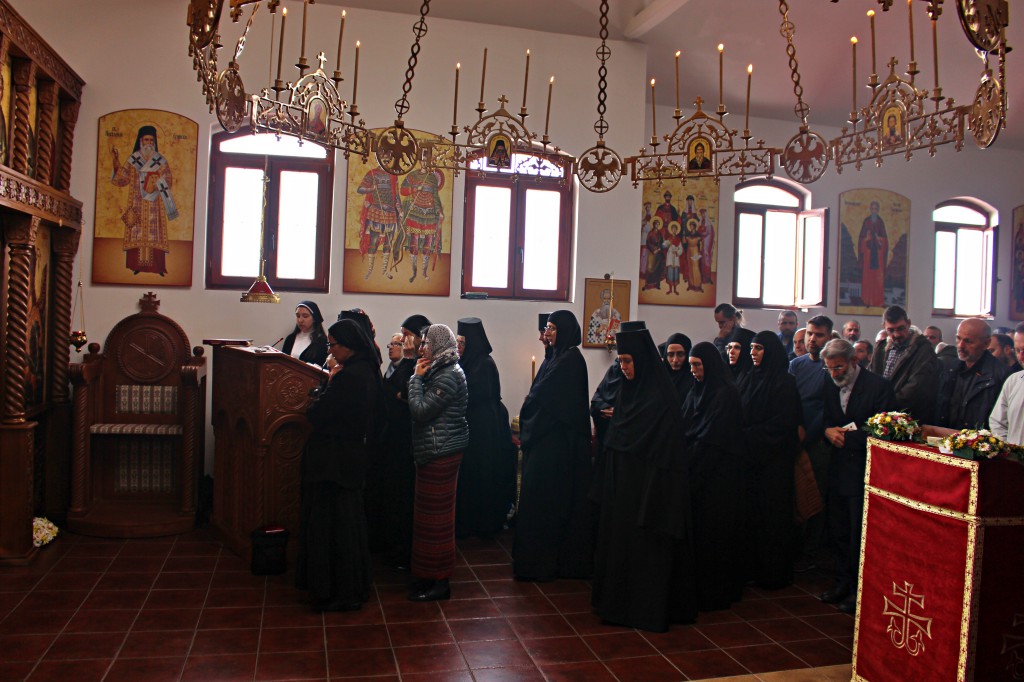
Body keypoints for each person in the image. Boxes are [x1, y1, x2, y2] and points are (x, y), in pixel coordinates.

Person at [591, 323, 697, 632]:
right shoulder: (628, 392)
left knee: (646, 556)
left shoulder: (661, 399)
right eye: (620, 361)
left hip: (651, 494)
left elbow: (667, 453)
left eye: (628, 361)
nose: (623, 367)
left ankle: (644, 610)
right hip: (623, 492)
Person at [295, 319, 385, 612]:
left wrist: (329, 383)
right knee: (347, 523)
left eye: (333, 345)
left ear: (349, 345)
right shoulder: (366, 369)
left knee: (335, 527)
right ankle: (349, 587)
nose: (330, 350)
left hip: (335, 460)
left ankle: (338, 590)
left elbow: (318, 414)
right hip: (348, 456)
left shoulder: (350, 377)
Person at [514, 310, 593, 581]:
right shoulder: (557, 357)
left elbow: (541, 400)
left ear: (565, 331)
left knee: (546, 503)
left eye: (551, 329)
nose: (546, 334)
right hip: (547, 442)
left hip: (556, 448)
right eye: (546, 328)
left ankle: (543, 564)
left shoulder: (570, 361)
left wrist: (528, 411)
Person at [819, 339, 894, 615]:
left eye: (838, 367)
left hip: (863, 468)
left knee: (856, 532)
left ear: (853, 361)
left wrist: (847, 439)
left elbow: (885, 429)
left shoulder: (878, 386)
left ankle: (858, 588)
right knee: (838, 529)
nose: (834, 374)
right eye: (829, 368)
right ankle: (842, 581)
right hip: (837, 468)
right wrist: (827, 431)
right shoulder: (830, 383)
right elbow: (826, 417)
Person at [407, 324, 469, 601]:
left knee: (437, 521)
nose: (421, 348)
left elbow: (420, 411)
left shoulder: (449, 374)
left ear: (439, 345)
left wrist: (415, 380)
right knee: (426, 519)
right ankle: (427, 575)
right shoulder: (440, 368)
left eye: (425, 344)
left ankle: (440, 581)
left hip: (441, 451)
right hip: (434, 449)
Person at [683, 342, 745, 611]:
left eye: (697, 365)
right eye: (691, 366)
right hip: (698, 470)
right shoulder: (697, 390)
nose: (694, 371)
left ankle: (717, 593)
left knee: (716, 537)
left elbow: (714, 438)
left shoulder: (725, 394)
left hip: (719, 477)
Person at [740, 331, 802, 590]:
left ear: (772, 351)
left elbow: (783, 424)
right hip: (750, 461)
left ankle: (773, 573)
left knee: (772, 519)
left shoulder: (784, 382)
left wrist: (748, 435)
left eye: (759, 348)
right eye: (752, 348)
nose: (753, 353)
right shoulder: (748, 377)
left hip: (774, 463)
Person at [454, 318, 516, 539]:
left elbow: (475, 395)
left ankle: (485, 523)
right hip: (472, 424)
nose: (459, 347)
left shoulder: (484, 364)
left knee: (484, 473)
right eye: (457, 342)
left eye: (462, 343)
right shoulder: (465, 362)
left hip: (485, 426)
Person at [789, 315, 833, 568]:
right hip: (794, 436)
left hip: (817, 442)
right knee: (794, 492)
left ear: (829, 337)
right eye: (810, 334)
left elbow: (828, 409)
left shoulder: (831, 367)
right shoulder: (796, 365)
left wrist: (809, 435)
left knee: (815, 494)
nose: (812, 339)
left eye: (819, 335)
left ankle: (811, 551)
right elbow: (789, 399)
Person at [111, 125, 178, 275]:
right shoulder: (133, 159)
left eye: (151, 140)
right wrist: (115, 161)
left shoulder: (160, 160)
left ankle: (157, 268)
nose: (149, 143)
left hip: (155, 204)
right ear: (140, 141)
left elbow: (168, 179)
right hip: (137, 203)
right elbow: (123, 179)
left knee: (155, 233)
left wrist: (156, 183)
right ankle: (136, 266)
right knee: (137, 231)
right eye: (146, 139)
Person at [378, 331, 417, 569]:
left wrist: (400, 395)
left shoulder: (407, 368)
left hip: (402, 436)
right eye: (390, 343)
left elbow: (406, 395)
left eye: (397, 343)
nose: (391, 347)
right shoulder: (390, 369)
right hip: (389, 434)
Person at [934, 318, 1011, 431]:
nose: (960, 345)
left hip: (979, 440)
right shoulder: (949, 368)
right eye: (958, 338)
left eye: (968, 341)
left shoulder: (1001, 375)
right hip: (944, 436)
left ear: (986, 343)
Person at [868, 306, 940, 424]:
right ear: (884, 327)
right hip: (882, 415)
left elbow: (916, 388)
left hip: (910, 418)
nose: (896, 334)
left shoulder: (923, 350)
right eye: (891, 330)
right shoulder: (881, 348)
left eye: (901, 328)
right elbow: (871, 377)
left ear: (909, 323)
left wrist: (886, 407)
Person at [357, 156, 401, 280]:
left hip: (390, 213)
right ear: (378, 160)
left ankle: (384, 270)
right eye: (383, 159)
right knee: (373, 242)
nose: (385, 162)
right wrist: (371, 188)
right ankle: (370, 269)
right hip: (376, 211)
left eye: (388, 160)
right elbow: (360, 189)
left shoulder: (393, 175)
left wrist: (399, 208)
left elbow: (396, 194)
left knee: (388, 244)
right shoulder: (372, 174)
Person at [401, 168, 445, 283]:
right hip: (415, 211)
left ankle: (424, 272)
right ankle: (414, 272)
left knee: (428, 244)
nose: (425, 162)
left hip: (430, 213)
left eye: (427, 160)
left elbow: (435, 197)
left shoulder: (432, 178)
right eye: (423, 160)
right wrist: (415, 189)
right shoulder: (413, 175)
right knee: (414, 243)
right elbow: (403, 190)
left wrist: (439, 211)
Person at [989, 323, 1024, 444]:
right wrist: (1009, 449)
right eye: (1018, 350)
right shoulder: (1013, 381)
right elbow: (997, 422)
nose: (1021, 357)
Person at [857, 201, 888, 308]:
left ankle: (878, 302)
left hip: (878, 255)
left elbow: (885, 240)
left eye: (876, 209)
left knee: (878, 280)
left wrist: (879, 239)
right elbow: (861, 239)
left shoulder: (880, 222)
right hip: (868, 254)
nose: (874, 211)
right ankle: (866, 301)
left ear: (878, 210)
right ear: (870, 209)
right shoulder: (866, 222)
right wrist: (867, 239)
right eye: (872, 209)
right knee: (868, 279)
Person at [282, 301, 329, 366]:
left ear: (314, 318)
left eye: (305, 316)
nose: (300, 320)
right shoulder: (290, 338)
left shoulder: (322, 341)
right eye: (298, 316)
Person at [663, 332, 694, 402]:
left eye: (680, 354)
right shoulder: (660, 377)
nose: (675, 360)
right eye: (670, 355)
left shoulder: (695, 378)